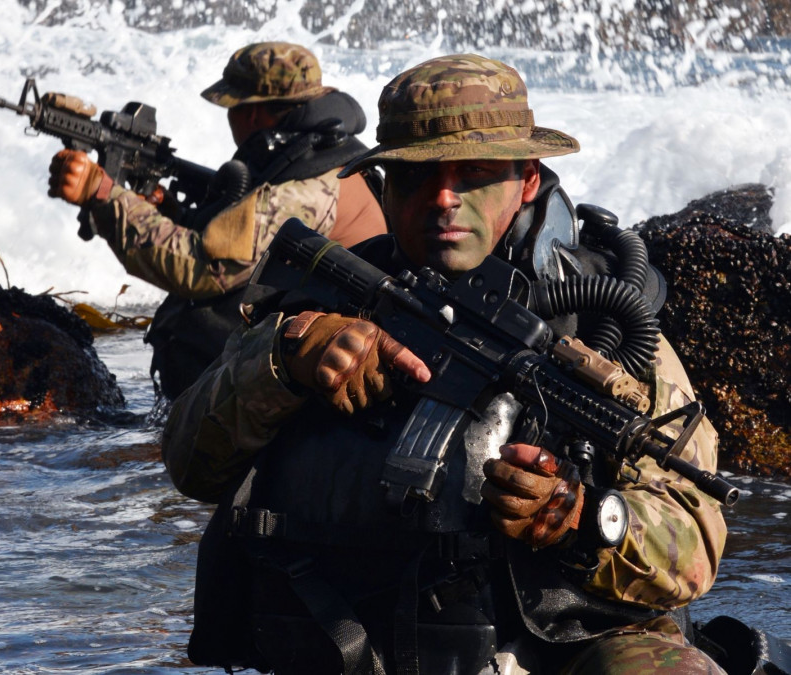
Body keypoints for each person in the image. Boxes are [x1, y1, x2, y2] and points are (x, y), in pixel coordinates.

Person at [161, 54, 729, 674]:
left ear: (528, 179)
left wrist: (578, 516)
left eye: (476, 173)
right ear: (383, 188)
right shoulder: (322, 304)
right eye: (417, 177)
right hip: (346, 636)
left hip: (545, 649)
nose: (443, 199)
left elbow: (693, 550)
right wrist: (287, 355)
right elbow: (191, 463)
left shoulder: (597, 328)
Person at [46, 41, 387, 401]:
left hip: (321, 382)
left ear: (251, 113)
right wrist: (169, 214)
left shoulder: (307, 188)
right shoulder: (308, 159)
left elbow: (201, 268)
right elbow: (237, 239)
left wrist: (103, 194)